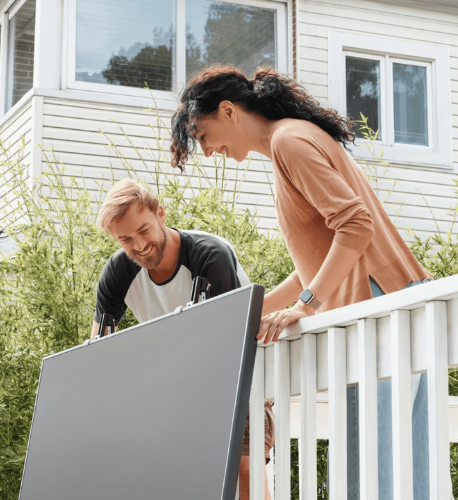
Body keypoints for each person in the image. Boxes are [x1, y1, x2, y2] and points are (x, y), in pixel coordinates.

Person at [170, 65, 435, 499]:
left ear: (228, 111)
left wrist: (307, 305)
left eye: (202, 135)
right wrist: (247, 313)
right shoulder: (288, 143)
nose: (206, 150)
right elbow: (315, 259)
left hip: (379, 305)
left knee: (368, 476)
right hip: (397, 302)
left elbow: (355, 225)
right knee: (404, 473)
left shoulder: (289, 141)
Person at [91, 178, 274, 500]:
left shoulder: (209, 254)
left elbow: (223, 339)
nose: (139, 245)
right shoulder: (118, 272)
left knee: (244, 469)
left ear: (160, 214)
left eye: (144, 230)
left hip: (241, 379)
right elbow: (98, 352)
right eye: (126, 239)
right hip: (176, 390)